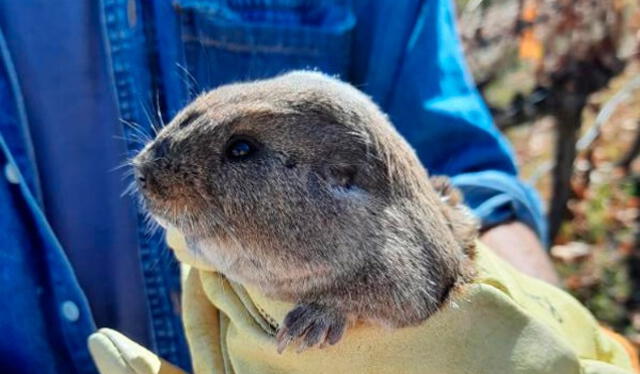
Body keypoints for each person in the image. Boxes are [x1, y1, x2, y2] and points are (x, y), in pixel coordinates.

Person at [0, 0, 555, 373]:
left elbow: (459, 166)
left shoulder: (366, 209)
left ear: (343, 183)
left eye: (240, 151)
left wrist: (552, 327)